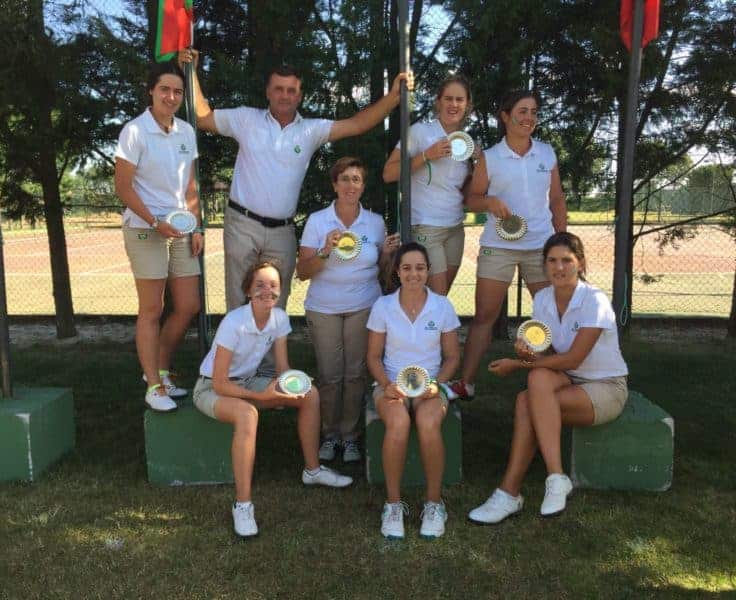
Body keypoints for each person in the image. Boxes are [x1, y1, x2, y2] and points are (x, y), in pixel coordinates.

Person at [179, 48, 412, 312]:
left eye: (291, 90)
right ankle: (237, 342)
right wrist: (191, 72)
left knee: (276, 305)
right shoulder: (246, 119)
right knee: (239, 302)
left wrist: (394, 96)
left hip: (282, 232)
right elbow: (203, 118)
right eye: (278, 89)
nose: (285, 95)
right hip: (242, 224)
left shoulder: (311, 130)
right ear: (268, 92)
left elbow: (357, 124)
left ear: (299, 96)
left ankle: (272, 342)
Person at [468, 232, 628, 524]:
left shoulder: (595, 300)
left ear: (580, 263)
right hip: (567, 379)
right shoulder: (543, 299)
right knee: (538, 378)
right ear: (544, 265)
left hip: (605, 386)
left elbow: (573, 358)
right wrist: (528, 353)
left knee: (526, 401)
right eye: (552, 261)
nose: (559, 267)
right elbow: (548, 354)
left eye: (567, 260)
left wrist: (517, 365)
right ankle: (552, 479)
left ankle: (512, 492)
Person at [192, 260, 353, 537]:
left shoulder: (279, 318)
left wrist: (296, 382)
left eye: (273, 285)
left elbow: (282, 368)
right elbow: (220, 382)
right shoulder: (234, 322)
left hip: (248, 382)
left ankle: (312, 471)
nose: (267, 290)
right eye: (260, 285)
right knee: (248, 414)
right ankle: (243, 505)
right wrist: (260, 395)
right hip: (211, 389)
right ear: (248, 291)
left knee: (310, 394)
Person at [454, 89, 568, 399]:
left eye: (533, 112)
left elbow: (557, 199)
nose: (529, 117)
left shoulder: (546, 153)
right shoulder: (490, 157)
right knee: (484, 317)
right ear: (505, 117)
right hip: (498, 246)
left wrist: (562, 239)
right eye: (522, 111)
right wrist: (489, 202)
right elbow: (472, 199)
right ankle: (466, 383)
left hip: (541, 247)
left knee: (552, 316)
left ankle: (561, 379)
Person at [296, 157, 400, 464]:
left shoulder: (375, 222)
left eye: (356, 179)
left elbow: (382, 270)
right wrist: (325, 251)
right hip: (324, 307)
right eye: (344, 179)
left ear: (363, 186)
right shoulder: (318, 221)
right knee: (330, 376)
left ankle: (351, 437)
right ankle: (330, 436)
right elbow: (303, 271)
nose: (350, 185)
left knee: (355, 374)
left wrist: (387, 254)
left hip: (364, 307)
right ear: (334, 185)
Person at [114, 61, 203, 413]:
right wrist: (154, 222)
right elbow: (123, 187)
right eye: (164, 89)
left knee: (189, 306)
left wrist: (196, 226)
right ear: (151, 90)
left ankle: (161, 371)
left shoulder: (186, 131)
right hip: (144, 228)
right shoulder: (134, 131)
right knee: (152, 309)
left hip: (180, 228)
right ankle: (153, 385)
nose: (171, 96)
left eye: (178, 91)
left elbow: (190, 186)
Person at [366, 242, 461, 539]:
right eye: (406, 268)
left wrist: (436, 385)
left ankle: (434, 504)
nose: (413, 274)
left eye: (420, 268)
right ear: (397, 271)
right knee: (398, 422)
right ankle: (393, 505)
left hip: (430, 386)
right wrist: (386, 385)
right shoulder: (383, 306)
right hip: (391, 384)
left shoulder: (442, 306)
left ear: (428, 271)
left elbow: (452, 357)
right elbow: (373, 357)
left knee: (429, 422)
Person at [382, 74, 477, 295]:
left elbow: (465, 193)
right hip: (426, 226)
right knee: (437, 297)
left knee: (438, 299)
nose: (454, 104)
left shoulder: (467, 142)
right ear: (438, 102)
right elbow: (388, 173)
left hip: (455, 227)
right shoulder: (420, 132)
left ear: (467, 105)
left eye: (460, 100)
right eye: (448, 98)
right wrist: (426, 155)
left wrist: (479, 167)